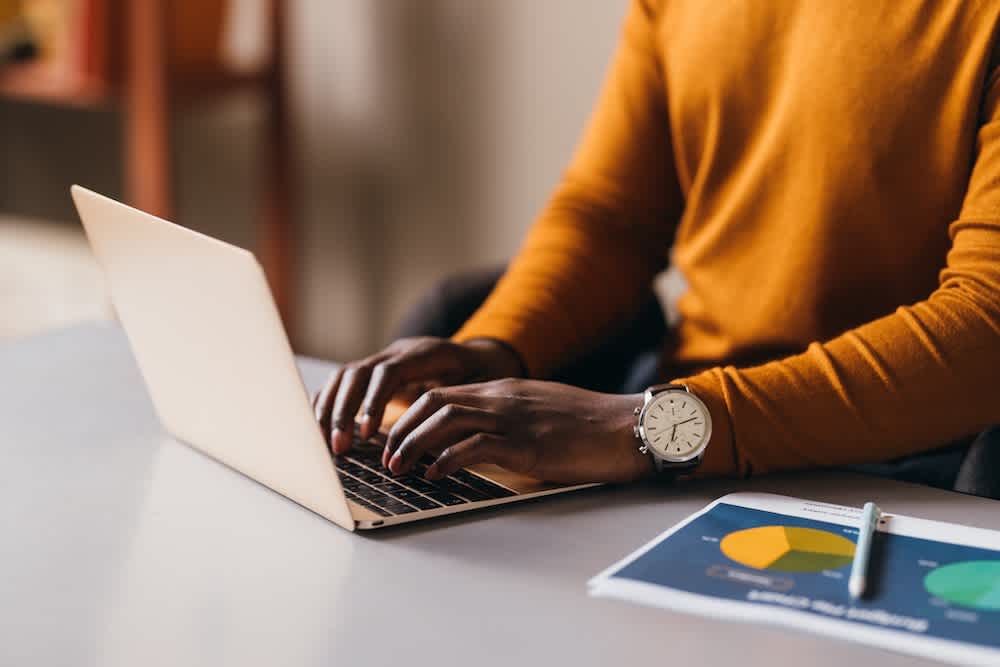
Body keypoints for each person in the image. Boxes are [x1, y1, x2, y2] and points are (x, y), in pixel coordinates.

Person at [314, 1, 1000, 495]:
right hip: (669, 422)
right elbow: (612, 216)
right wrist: (495, 347)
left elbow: (987, 327)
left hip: (900, 463)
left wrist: (650, 428)